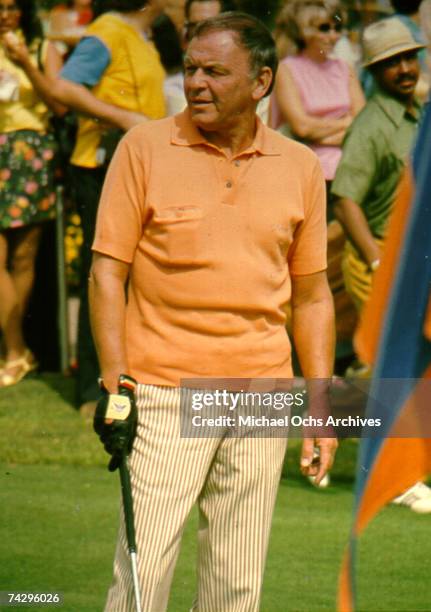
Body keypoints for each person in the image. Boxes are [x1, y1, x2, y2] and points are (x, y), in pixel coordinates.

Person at [90, 12, 337, 610]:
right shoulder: (143, 148)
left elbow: (312, 296)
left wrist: (321, 407)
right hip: (162, 389)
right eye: (191, 69)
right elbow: (106, 273)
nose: (197, 83)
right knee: (142, 578)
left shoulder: (300, 165)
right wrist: (115, 381)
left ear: (261, 82)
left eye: (216, 72)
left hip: (261, 391)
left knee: (236, 583)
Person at [332, 17, 431, 513]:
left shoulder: (416, 118)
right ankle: (395, 480)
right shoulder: (372, 125)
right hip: (377, 261)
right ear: (375, 71)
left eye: (409, 57)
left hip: (408, 264)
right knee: (397, 368)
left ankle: (326, 418)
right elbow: (345, 198)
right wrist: (375, 258)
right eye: (392, 63)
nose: (405, 68)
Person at [49, 0, 166, 411]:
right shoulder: (108, 30)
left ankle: (123, 381)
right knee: (104, 271)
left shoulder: (141, 36)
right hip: (99, 166)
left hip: (133, 166)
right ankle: (90, 391)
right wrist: (121, 117)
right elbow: (64, 87)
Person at [0, 0, 66, 387]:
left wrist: (25, 62)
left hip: (29, 151)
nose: (5, 15)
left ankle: (12, 353)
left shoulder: (43, 49)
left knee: (23, 259)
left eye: (12, 7)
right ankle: (17, 349)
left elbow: (58, 104)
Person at [271, 0, 365, 191]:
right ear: (304, 31)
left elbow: (363, 122)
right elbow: (302, 127)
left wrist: (319, 134)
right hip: (306, 168)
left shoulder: (344, 68)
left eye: (337, 28)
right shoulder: (286, 69)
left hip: (349, 164)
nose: (333, 36)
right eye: (324, 28)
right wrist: (346, 123)